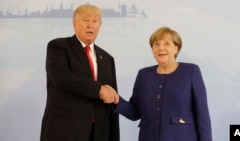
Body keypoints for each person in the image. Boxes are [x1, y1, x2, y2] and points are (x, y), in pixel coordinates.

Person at [111, 26, 212, 141]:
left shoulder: (191, 71)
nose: (161, 48)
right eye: (156, 44)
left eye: (166, 44)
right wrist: (116, 100)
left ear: (176, 48)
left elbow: (202, 115)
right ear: (152, 50)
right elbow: (135, 112)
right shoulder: (144, 75)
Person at [40, 4, 120, 141]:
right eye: (85, 20)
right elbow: (61, 77)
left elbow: (111, 100)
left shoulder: (107, 58)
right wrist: (98, 89)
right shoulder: (58, 46)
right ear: (74, 24)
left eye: (95, 21)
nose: (90, 25)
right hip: (65, 130)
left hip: (99, 133)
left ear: (99, 26)